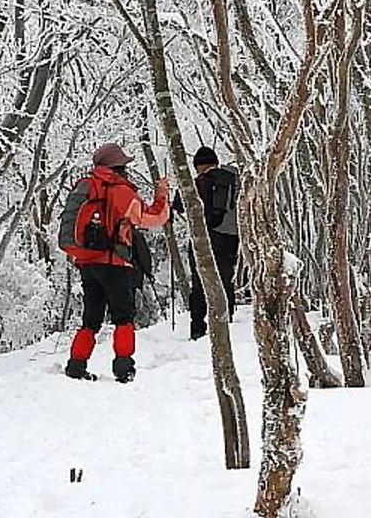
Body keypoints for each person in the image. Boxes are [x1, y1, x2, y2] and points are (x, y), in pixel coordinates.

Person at [61, 142, 169, 382]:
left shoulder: (86, 186)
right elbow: (152, 217)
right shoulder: (120, 191)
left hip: (87, 262)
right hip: (114, 262)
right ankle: (124, 368)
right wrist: (162, 195)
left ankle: (76, 365)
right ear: (118, 166)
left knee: (91, 318)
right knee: (123, 316)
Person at [172, 146, 240, 340]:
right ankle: (227, 323)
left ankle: (198, 329)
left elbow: (178, 204)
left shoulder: (199, 183)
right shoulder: (234, 180)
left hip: (205, 238)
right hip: (231, 238)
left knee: (200, 282)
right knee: (225, 279)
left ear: (198, 166)